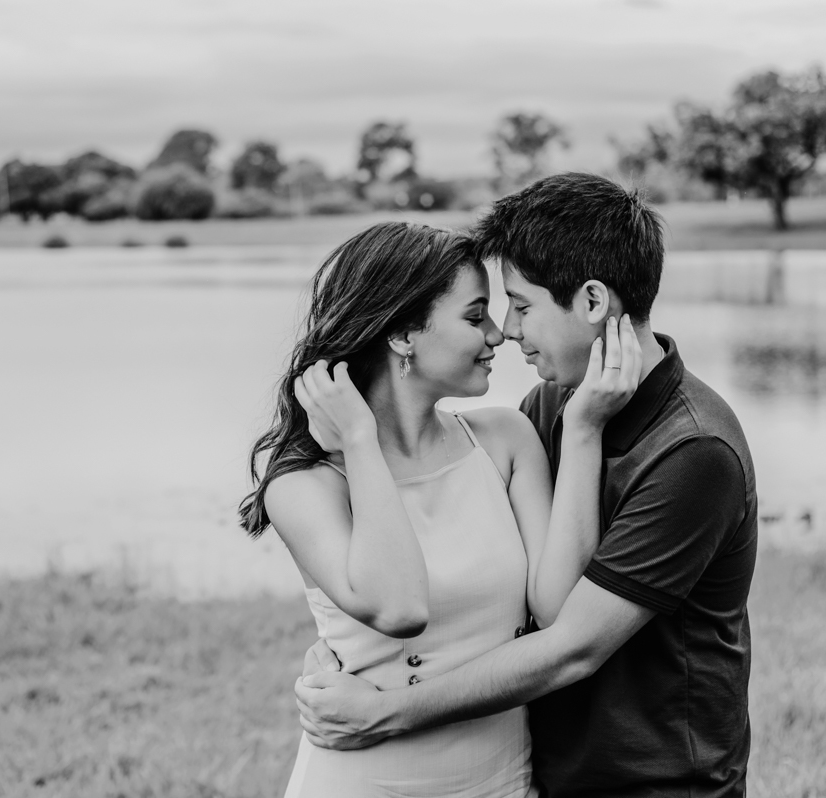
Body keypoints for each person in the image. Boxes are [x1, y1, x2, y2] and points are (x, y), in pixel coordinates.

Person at [294, 173, 758, 798]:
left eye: (520, 304)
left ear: (593, 302)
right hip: (547, 770)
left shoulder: (694, 450)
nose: (507, 331)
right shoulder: (552, 405)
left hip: (654, 781)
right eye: (488, 311)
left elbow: (572, 644)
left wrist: (383, 712)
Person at [238, 219, 641, 797]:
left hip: (502, 780)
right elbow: (401, 607)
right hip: (366, 779)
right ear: (404, 334)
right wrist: (359, 441)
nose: (498, 337)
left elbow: (557, 610)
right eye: (475, 317)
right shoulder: (304, 484)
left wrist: (583, 433)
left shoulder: (505, 439)